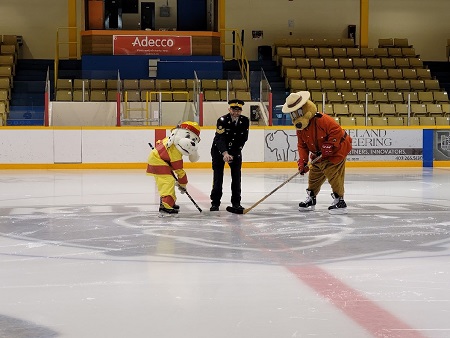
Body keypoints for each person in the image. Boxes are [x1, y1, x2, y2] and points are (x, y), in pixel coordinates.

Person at [282, 91, 352, 214]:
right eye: (293, 114)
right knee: (315, 173)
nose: (296, 116)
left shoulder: (322, 120)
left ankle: (340, 200)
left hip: (337, 150)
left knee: (332, 172)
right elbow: (302, 145)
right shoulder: (301, 129)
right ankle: (311, 198)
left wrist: (330, 144)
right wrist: (303, 161)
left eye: (298, 112)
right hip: (318, 153)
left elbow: (337, 131)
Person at [146, 121, 201, 215]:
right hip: (158, 161)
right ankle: (166, 206)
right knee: (168, 182)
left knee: (169, 182)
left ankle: (169, 202)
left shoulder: (173, 142)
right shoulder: (175, 148)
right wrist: (183, 184)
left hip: (162, 161)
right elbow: (179, 170)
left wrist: (182, 183)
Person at [210, 99, 250, 212]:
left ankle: (236, 203)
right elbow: (219, 138)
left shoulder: (245, 121)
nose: (236, 112)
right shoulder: (222, 120)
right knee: (218, 177)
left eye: (238, 110)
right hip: (219, 151)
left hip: (235, 151)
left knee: (236, 177)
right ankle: (215, 203)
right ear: (229, 109)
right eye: (233, 109)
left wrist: (233, 154)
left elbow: (243, 138)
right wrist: (225, 153)